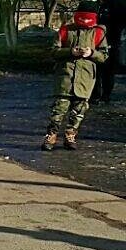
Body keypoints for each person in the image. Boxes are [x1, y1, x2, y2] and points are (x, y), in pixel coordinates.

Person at [43, 1, 109, 151]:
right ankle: (51, 135)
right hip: (65, 77)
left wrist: (91, 53)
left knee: (79, 111)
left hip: (85, 79)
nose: (85, 21)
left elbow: (104, 56)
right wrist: (70, 52)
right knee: (58, 110)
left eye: (88, 18)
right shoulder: (66, 30)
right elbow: (53, 51)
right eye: (82, 17)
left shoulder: (98, 33)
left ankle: (70, 135)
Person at [94, 0, 124, 103]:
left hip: (111, 41)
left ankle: (104, 95)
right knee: (100, 70)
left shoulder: (117, 5)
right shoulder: (101, 6)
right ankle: (100, 95)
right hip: (100, 41)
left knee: (107, 70)